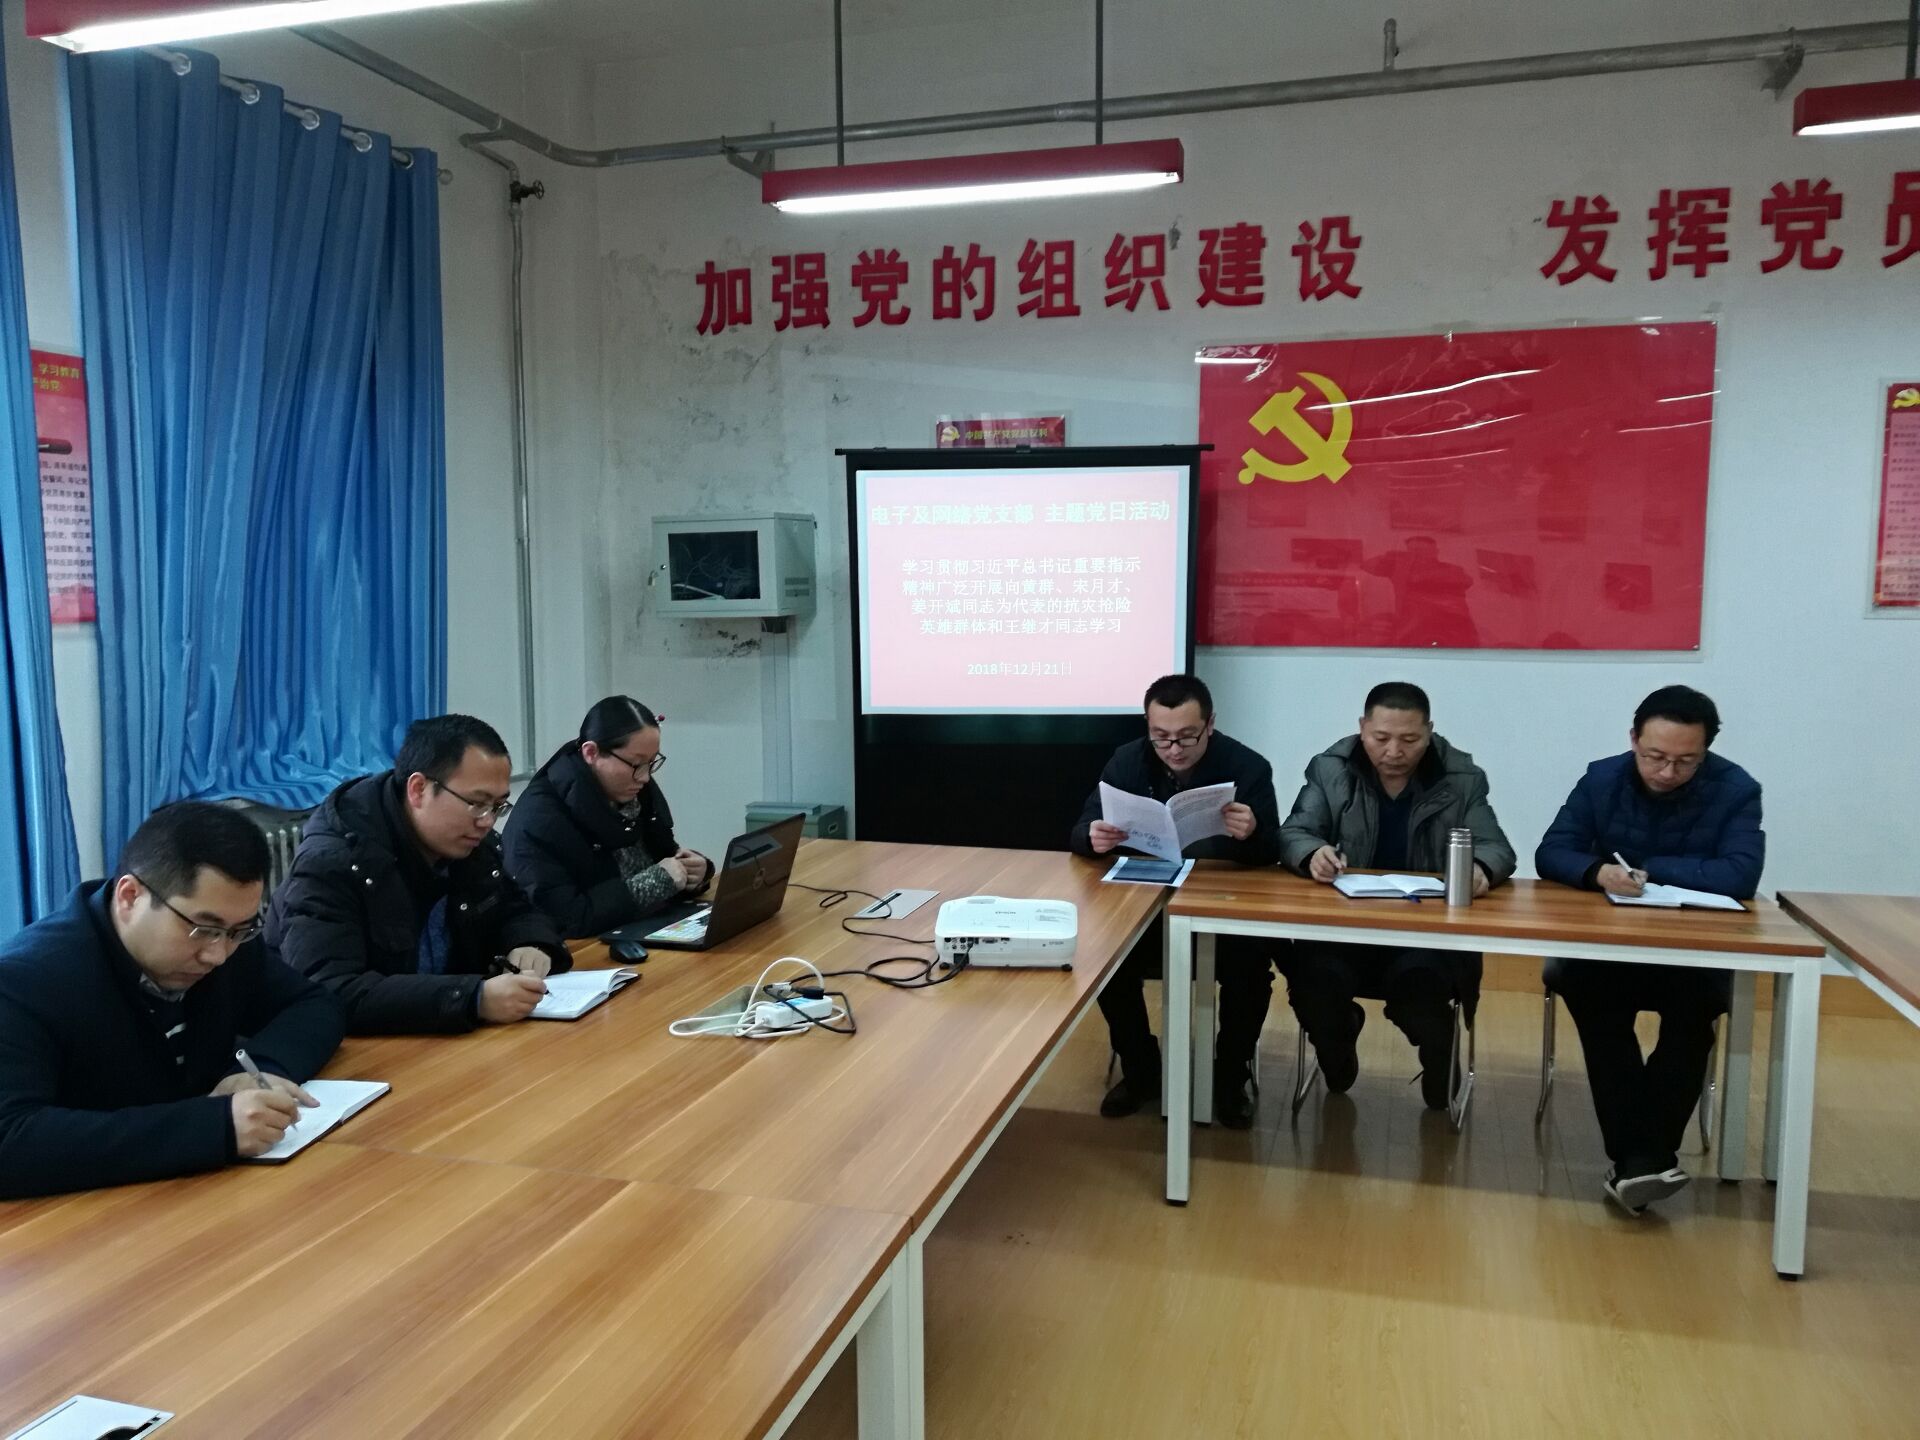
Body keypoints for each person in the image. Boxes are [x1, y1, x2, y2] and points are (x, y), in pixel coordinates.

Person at [0, 802, 344, 1198]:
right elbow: (9, 1141)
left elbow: (314, 1004)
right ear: (130, 896)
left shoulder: (226, 937)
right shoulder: (25, 982)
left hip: (198, 1194)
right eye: (203, 929)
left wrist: (259, 1071)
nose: (217, 955)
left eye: (240, 931)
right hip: (85, 1217)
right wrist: (216, 1126)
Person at [1535, 685, 1764, 1215]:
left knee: (1694, 1018)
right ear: (1634, 739)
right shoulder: (1602, 778)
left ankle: (1637, 1162)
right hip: (1608, 948)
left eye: (1686, 761)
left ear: (1706, 752)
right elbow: (1552, 851)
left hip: (1691, 952)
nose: (1666, 771)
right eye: (1655, 756)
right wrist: (1596, 872)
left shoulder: (1735, 789)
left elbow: (1740, 874)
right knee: (1596, 1005)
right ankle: (1647, 1160)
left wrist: (1649, 869)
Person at [1278, 681, 1515, 1109]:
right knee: (1314, 989)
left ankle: (1439, 1056)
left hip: (1425, 936)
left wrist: (1481, 868)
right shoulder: (1331, 769)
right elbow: (1296, 831)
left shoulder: (1461, 778)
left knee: (1422, 995)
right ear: (1362, 728)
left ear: (1429, 732)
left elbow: (1496, 847)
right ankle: (1339, 1042)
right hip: (1343, 930)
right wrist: (1313, 853)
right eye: (1381, 738)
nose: (1394, 751)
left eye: (1409, 740)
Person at [266, 714, 570, 1034]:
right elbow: (330, 991)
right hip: (358, 1050)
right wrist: (472, 998)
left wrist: (531, 943)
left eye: (498, 806)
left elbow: (517, 909)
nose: (487, 821)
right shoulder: (333, 863)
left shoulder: (471, 846)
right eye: (477, 803)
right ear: (418, 789)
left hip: (440, 1034)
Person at [1069, 674, 1281, 1129]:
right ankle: (1141, 1069)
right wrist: (1093, 836)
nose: (1174, 749)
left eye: (1187, 736)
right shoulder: (1127, 760)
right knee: (1108, 962)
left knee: (1251, 971)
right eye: (1161, 737)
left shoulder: (1248, 767)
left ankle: (1229, 1078)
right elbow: (1082, 828)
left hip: (1220, 907)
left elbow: (1271, 853)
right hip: (1147, 906)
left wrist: (1253, 832)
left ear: (1210, 725)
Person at [503, 696, 711, 938]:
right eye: (636, 764)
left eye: (651, 763)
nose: (645, 777)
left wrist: (695, 871)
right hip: (587, 948)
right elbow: (564, 918)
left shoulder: (634, 788)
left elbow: (665, 858)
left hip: (646, 928)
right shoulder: (539, 819)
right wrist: (657, 882)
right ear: (591, 752)